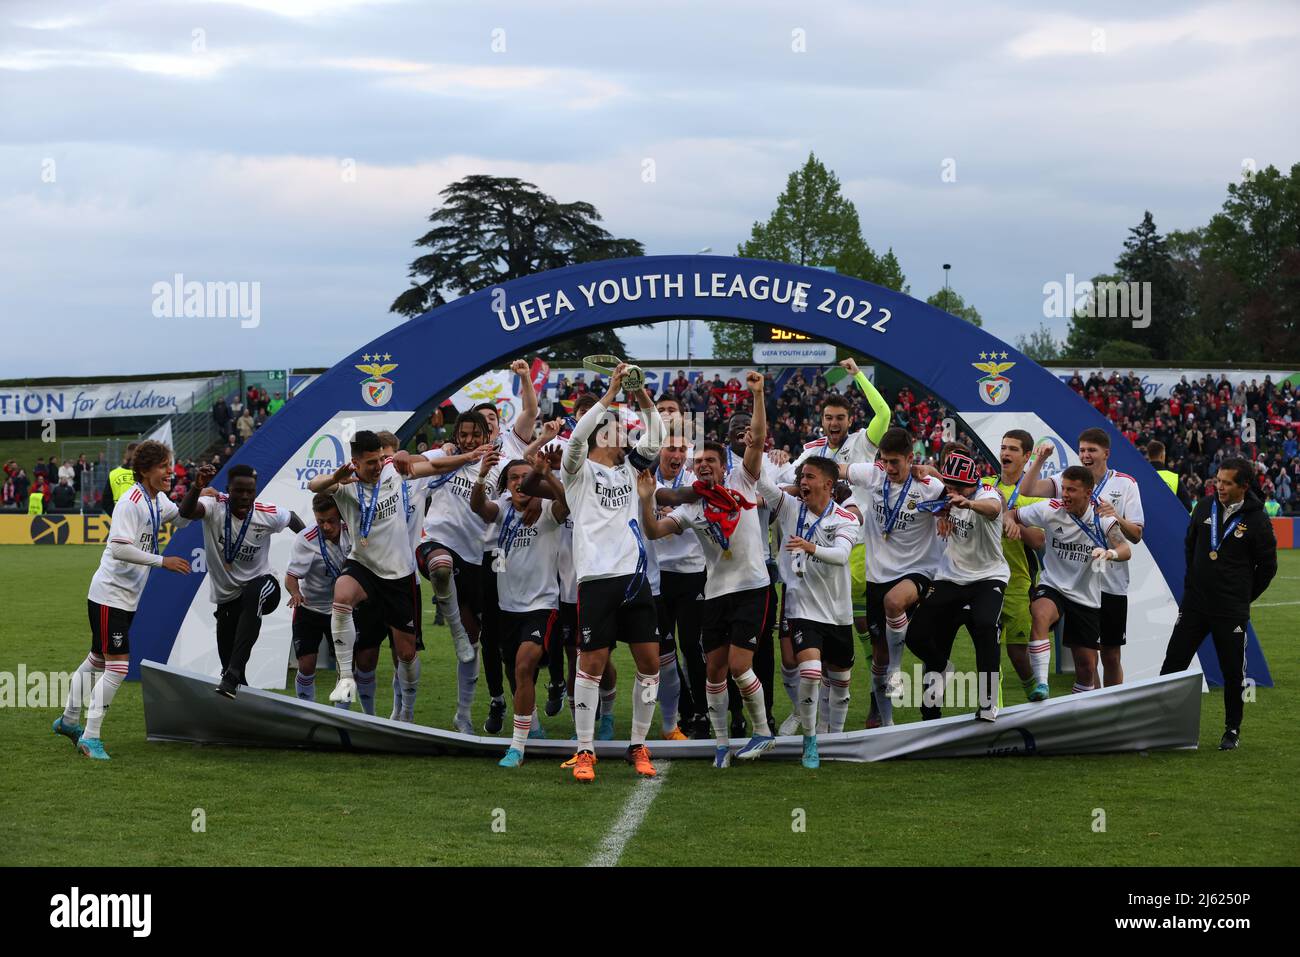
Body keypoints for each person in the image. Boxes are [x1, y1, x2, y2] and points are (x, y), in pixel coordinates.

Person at [640, 372, 776, 768]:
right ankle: (721, 744)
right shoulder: (692, 506)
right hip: (715, 592)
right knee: (713, 671)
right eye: (698, 462)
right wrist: (645, 500)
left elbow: (759, 435)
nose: (702, 466)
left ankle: (762, 731)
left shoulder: (743, 480)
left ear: (722, 465)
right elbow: (654, 530)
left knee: (737, 667)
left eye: (709, 461)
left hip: (752, 587)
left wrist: (758, 394)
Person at [560, 362, 665, 782]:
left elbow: (656, 436)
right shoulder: (578, 471)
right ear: (604, 433)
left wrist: (638, 393)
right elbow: (575, 438)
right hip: (597, 579)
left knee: (650, 663)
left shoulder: (629, 468)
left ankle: (638, 744)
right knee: (593, 663)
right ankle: (584, 751)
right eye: (619, 428)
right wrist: (609, 393)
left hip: (635, 578)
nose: (627, 432)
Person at [53, 440, 191, 760]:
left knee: (97, 661)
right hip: (109, 594)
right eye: (163, 466)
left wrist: (201, 491)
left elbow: (182, 517)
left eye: (170, 465)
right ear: (145, 471)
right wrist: (162, 561)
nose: (170, 471)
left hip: (123, 596)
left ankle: (68, 721)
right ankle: (90, 737)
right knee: (117, 667)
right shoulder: (131, 501)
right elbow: (118, 548)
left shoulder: (156, 500)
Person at [1160, 457, 1277, 750]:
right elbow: (1190, 547)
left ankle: (1232, 729)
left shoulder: (1257, 519)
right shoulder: (1203, 507)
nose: (1219, 487)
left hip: (1230, 609)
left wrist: (1242, 596)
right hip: (1196, 604)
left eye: (1227, 483)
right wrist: (1193, 585)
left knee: (1232, 671)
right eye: (1218, 480)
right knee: (1173, 662)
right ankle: (1160, 723)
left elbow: (1267, 567)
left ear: (1243, 486)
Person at [754, 442, 859, 767]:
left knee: (841, 680)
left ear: (828, 484)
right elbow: (760, 482)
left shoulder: (847, 518)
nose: (803, 481)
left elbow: (841, 557)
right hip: (801, 608)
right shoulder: (789, 507)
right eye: (802, 476)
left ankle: (835, 738)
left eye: (810, 476)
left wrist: (810, 547)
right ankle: (811, 739)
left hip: (838, 611)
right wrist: (755, 446)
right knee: (811, 671)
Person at [1019, 429, 1144, 687]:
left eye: (1092, 450)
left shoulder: (1125, 484)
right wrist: (1040, 460)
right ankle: (1092, 708)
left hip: (1111, 583)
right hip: (1076, 584)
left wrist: (1115, 517)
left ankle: (1111, 709)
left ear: (1106, 453)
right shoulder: (1068, 480)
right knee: (1087, 659)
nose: (1085, 455)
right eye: (1083, 450)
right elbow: (1028, 488)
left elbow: (1136, 535)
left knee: (1110, 654)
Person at [470, 448, 568, 767]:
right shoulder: (502, 508)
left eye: (524, 477)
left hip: (542, 605)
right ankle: (533, 726)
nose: (518, 483)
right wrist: (482, 475)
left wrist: (546, 475)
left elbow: (566, 504)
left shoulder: (548, 508)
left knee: (525, 665)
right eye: (512, 478)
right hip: (507, 607)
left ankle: (517, 746)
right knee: (516, 671)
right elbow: (479, 507)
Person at [841, 427, 945, 727]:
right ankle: (887, 724)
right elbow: (838, 467)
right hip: (878, 574)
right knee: (878, 658)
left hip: (918, 570)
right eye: (885, 461)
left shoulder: (928, 486)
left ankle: (899, 673)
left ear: (911, 458)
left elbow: (958, 494)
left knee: (894, 601)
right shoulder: (873, 475)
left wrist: (946, 511)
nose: (889, 468)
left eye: (895, 462)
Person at [180, 463, 303, 697]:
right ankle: (238, 686)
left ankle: (234, 673)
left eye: (250, 491)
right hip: (228, 598)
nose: (245, 496)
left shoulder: (265, 513)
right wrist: (197, 486)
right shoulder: (214, 505)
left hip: (264, 586)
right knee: (228, 666)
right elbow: (186, 512)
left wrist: (313, 548)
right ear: (228, 489)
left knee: (253, 594)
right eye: (239, 491)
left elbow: (293, 519)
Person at [908, 445, 1009, 721]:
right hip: (950, 576)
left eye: (958, 489)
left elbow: (993, 507)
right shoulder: (948, 490)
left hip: (988, 577)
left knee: (987, 626)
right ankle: (933, 704)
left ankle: (988, 704)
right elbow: (931, 474)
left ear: (970, 485)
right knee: (917, 636)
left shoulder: (984, 493)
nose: (952, 493)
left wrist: (969, 503)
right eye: (949, 486)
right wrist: (925, 474)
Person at [415, 411, 499, 732]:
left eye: (475, 435)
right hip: (436, 541)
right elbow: (410, 462)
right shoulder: (445, 454)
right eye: (463, 434)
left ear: (486, 435)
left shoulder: (497, 464)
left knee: (473, 644)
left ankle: (463, 715)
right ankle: (454, 632)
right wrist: (454, 455)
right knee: (440, 565)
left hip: (476, 558)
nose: (469, 440)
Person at [979, 430, 1049, 701]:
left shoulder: (1033, 495)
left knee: (1017, 652)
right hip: (984, 578)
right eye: (1003, 447)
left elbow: (1039, 540)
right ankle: (991, 704)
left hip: (1018, 582)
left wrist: (1013, 520)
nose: (1005, 453)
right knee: (988, 646)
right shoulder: (985, 485)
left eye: (1012, 449)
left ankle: (1032, 688)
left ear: (1026, 456)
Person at [285, 493, 354, 704]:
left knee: (346, 666)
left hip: (342, 609)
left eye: (331, 521)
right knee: (306, 664)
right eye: (320, 521)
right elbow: (290, 577)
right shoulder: (306, 539)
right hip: (310, 608)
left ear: (340, 516)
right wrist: (295, 593)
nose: (325, 526)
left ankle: (342, 715)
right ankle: (307, 709)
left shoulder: (352, 531)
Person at [1147, 440, 1191, 510]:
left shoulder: (1140, 477)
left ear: (1148, 456)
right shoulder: (1174, 478)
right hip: (1169, 519)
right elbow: (1188, 507)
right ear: (1162, 456)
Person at [103, 442, 139, 514]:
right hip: (141, 518)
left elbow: (106, 502)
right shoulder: (145, 473)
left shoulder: (114, 473)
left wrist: (117, 516)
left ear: (126, 455)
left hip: (120, 516)